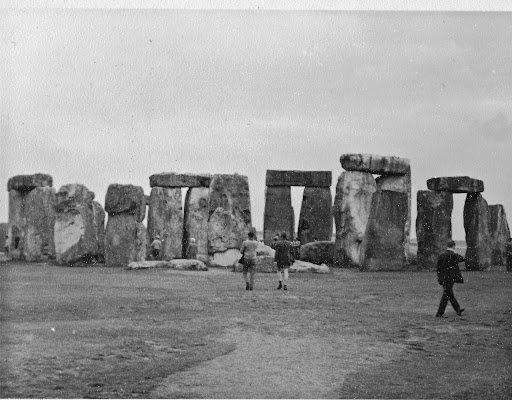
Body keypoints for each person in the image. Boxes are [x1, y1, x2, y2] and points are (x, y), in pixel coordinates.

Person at [436, 240, 465, 318]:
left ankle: (457, 309)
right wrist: (454, 252)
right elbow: (462, 258)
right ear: (453, 246)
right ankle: (439, 313)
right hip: (450, 278)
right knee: (446, 295)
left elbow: (438, 269)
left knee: (450, 294)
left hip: (443, 278)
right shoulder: (453, 255)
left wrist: (439, 278)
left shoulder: (441, 256)